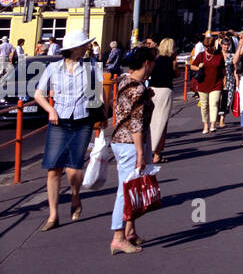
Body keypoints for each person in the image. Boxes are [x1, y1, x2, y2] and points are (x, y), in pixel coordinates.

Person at [32, 28, 101, 230]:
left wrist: (102, 116)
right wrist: (50, 110)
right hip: (58, 122)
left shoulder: (92, 66)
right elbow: (38, 94)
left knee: (74, 168)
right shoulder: (53, 68)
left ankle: (75, 196)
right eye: (84, 45)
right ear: (74, 49)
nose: (87, 47)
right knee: (53, 168)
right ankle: (53, 216)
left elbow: (97, 94)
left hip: (82, 121)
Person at [108, 46, 156, 255]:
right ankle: (118, 236)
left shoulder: (126, 82)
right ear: (146, 63)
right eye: (152, 62)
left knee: (132, 187)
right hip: (130, 144)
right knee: (125, 191)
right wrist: (140, 152)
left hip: (120, 140)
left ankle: (130, 230)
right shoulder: (137, 89)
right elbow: (136, 123)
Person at [148, 38, 177, 162]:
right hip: (165, 91)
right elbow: (177, 74)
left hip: (152, 90)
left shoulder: (155, 60)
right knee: (162, 122)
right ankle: (157, 154)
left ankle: (148, 149)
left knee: (150, 121)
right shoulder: (172, 61)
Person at [188, 35, 224, 134]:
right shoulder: (201, 55)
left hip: (216, 84)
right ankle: (205, 125)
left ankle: (212, 125)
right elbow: (192, 66)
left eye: (209, 46)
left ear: (214, 45)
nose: (207, 48)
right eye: (205, 46)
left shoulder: (219, 55)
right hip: (203, 84)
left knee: (214, 104)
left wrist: (224, 80)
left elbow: (222, 70)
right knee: (204, 106)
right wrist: (198, 67)